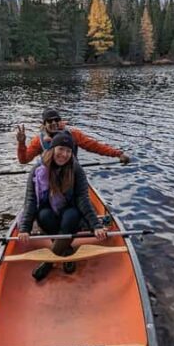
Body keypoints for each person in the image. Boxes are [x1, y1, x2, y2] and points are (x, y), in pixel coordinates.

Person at [17, 130, 107, 282]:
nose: (64, 154)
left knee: (70, 217)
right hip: (48, 210)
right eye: (61, 149)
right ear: (52, 149)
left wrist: (95, 225)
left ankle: (48, 262)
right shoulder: (37, 170)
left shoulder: (76, 169)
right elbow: (31, 200)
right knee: (43, 216)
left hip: (69, 210)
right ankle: (65, 250)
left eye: (68, 151)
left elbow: (83, 199)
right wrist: (25, 228)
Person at [16, 107, 130, 165]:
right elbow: (24, 160)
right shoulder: (38, 141)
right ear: (44, 124)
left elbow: (94, 146)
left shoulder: (73, 134)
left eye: (57, 120)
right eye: (50, 121)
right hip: (49, 175)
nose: (54, 123)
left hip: (71, 172)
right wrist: (21, 143)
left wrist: (117, 154)